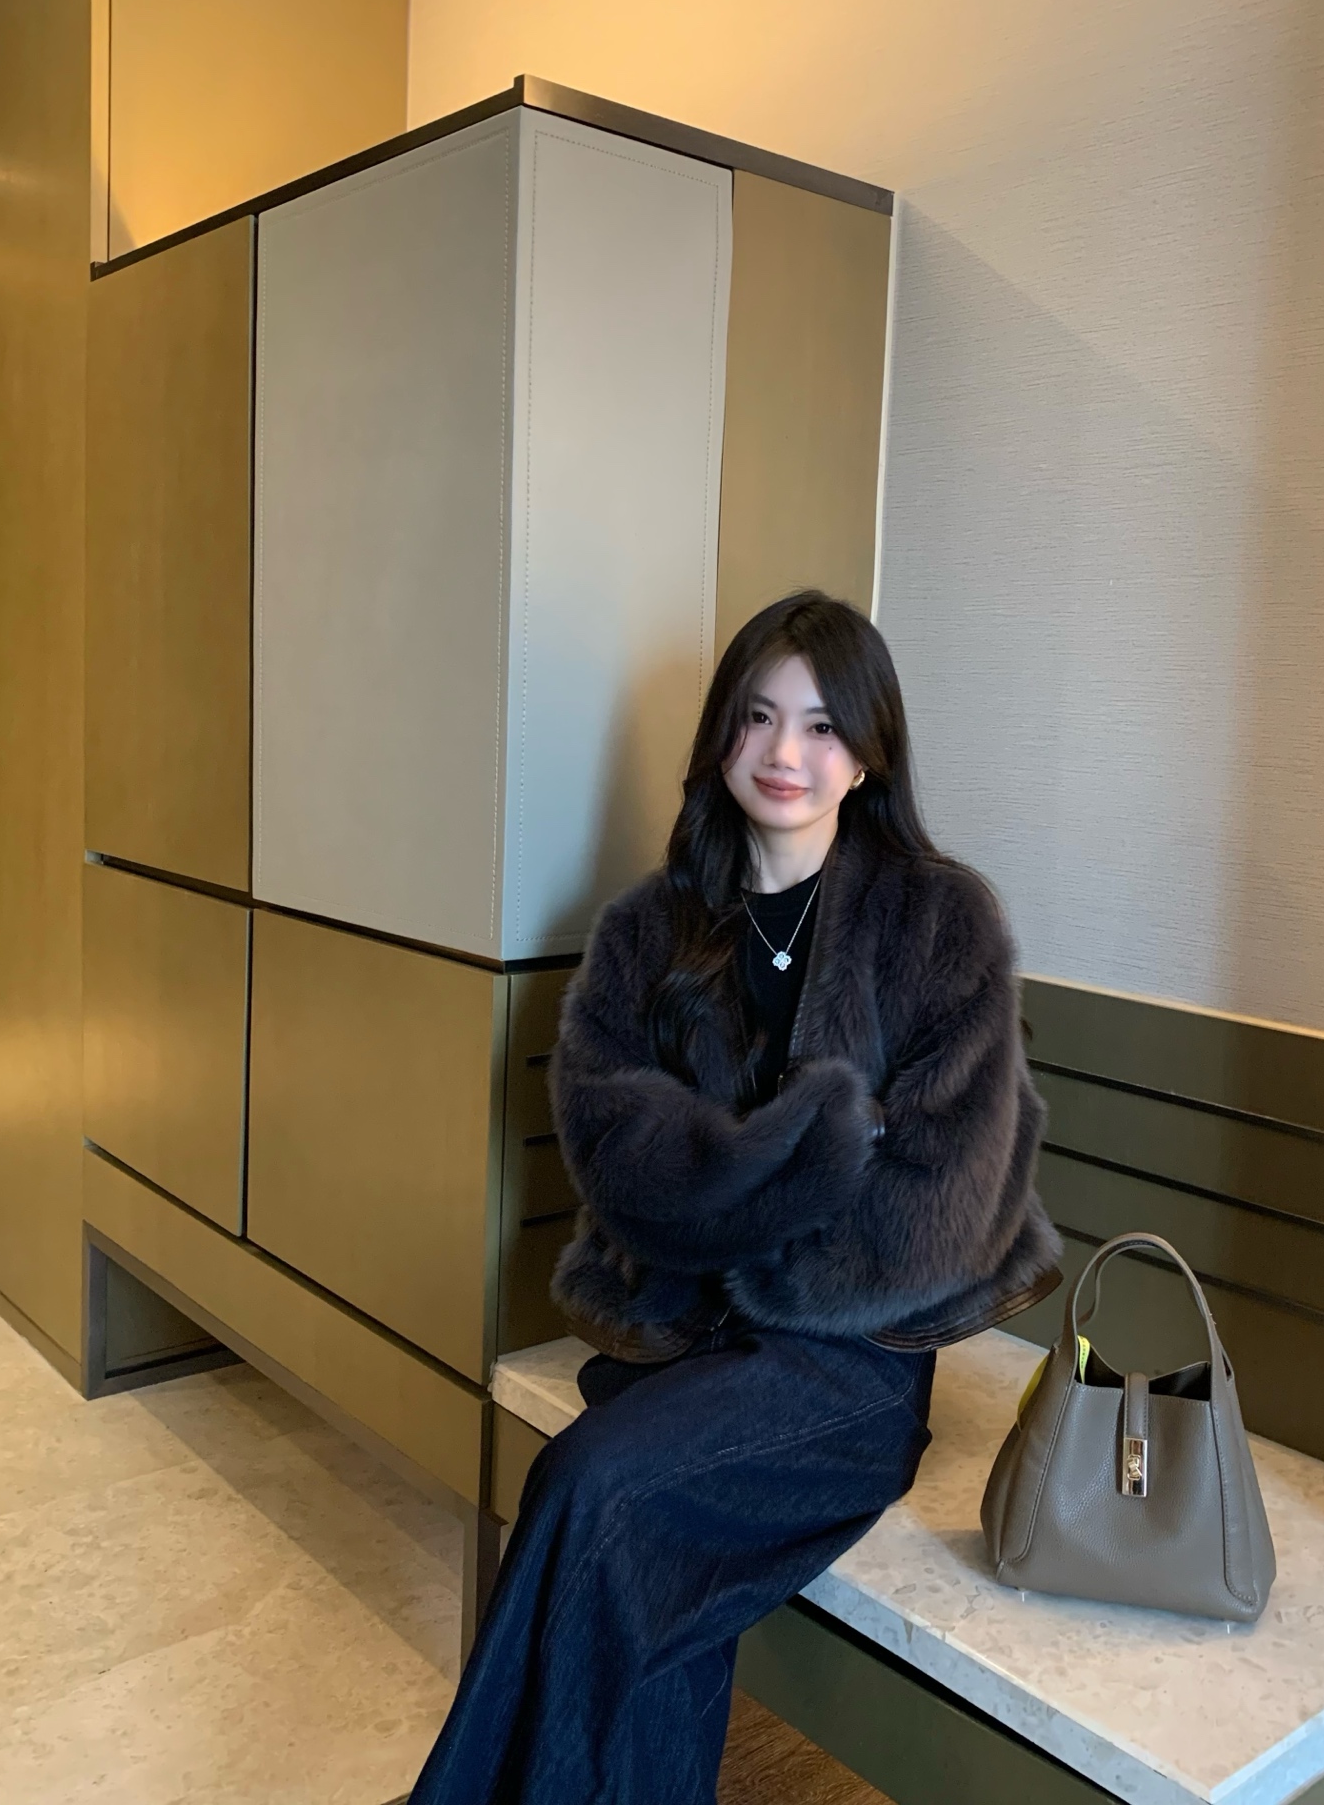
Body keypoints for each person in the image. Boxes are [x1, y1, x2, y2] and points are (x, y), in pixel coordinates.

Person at [410, 589, 1061, 1805]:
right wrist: (818, 1147)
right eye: (758, 717)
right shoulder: (647, 930)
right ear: (721, 735)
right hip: (680, 1338)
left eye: (821, 726)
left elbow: (942, 1198)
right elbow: (617, 1146)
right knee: (638, 1570)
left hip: (849, 1362)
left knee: (595, 1490)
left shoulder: (940, 923)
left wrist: (738, 1184)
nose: (784, 753)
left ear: (868, 756)